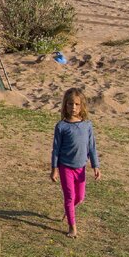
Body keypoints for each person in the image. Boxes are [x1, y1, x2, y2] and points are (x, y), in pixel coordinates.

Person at [50, 88, 101, 238]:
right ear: (65, 105)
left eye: (77, 104)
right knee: (70, 197)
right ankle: (72, 227)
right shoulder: (61, 126)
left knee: (80, 197)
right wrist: (54, 169)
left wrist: (96, 166)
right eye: (70, 104)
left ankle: (68, 210)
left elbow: (92, 146)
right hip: (65, 167)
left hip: (81, 168)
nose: (73, 107)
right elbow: (56, 149)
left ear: (82, 106)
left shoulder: (87, 125)